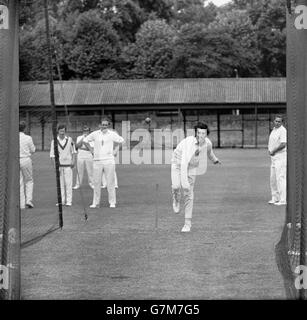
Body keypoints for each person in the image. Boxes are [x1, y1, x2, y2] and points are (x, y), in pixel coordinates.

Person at [171, 122, 221, 232]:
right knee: (176, 186)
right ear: (196, 133)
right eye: (198, 133)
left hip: (192, 167)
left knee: (189, 193)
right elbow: (184, 163)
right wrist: (185, 183)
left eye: (203, 133)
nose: (201, 135)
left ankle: (187, 224)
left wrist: (215, 160)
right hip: (178, 164)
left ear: (206, 134)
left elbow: (209, 152)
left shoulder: (207, 143)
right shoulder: (189, 144)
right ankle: (176, 198)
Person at [83, 117, 124, 208]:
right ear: (100, 125)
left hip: (109, 161)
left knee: (110, 182)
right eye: (103, 124)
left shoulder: (112, 134)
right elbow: (85, 141)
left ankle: (112, 202)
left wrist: (115, 150)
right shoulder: (95, 134)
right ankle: (95, 202)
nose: (104, 126)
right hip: (97, 161)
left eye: (106, 125)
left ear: (108, 125)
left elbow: (122, 141)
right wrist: (91, 150)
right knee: (96, 182)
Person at [50, 124, 77, 206]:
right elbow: (52, 155)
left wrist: (73, 161)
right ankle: (61, 201)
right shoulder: (54, 141)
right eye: (60, 130)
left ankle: (69, 201)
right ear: (58, 131)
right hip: (59, 165)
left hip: (68, 165)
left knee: (68, 184)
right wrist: (55, 166)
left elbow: (74, 152)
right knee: (60, 185)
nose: (62, 132)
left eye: (63, 130)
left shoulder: (70, 139)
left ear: (65, 131)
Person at [268, 115, 287, 206]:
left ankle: (283, 200)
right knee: (273, 179)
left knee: (280, 178)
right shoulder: (274, 130)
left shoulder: (283, 131)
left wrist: (273, 150)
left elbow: (283, 144)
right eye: (276, 121)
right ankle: (275, 198)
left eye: (279, 121)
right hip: (273, 158)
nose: (277, 123)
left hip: (280, 157)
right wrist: (270, 150)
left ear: (282, 122)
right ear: (273, 121)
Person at [19, 121, 36, 209]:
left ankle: (21, 204)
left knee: (20, 181)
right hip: (25, 159)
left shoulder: (13, 137)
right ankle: (28, 201)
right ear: (24, 128)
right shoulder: (28, 138)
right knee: (29, 180)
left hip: (16, 160)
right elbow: (33, 150)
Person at [73, 125, 94, 190]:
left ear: (89, 131)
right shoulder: (79, 137)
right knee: (79, 170)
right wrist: (83, 139)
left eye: (87, 130)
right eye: (84, 130)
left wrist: (86, 140)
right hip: (80, 154)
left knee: (90, 170)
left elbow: (91, 148)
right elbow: (77, 146)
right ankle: (77, 184)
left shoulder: (92, 138)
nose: (86, 132)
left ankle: (92, 184)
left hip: (88, 154)